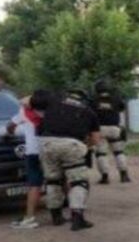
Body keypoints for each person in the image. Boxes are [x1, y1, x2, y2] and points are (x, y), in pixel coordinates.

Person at [32, 88, 101, 232]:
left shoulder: (54, 101)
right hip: (72, 144)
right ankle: (77, 218)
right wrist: (84, 146)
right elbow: (95, 139)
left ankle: (56, 217)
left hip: (47, 143)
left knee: (53, 180)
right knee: (78, 181)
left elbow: (30, 104)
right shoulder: (89, 111)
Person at [7, 91, 48, 230]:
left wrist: (9, 133)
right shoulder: (53, 111)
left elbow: (10, 126)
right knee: (60, 179)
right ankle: (71, 213)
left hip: (33, 152)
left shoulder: (24, 112)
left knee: (34, 184)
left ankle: (30, 218)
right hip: (51, 149)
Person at [92, 80, 131, 184]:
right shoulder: (115, 98)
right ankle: (124, 175)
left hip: (99, 129)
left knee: (101, 154)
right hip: (114, 128)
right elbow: (122, 107)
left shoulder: (93, 100)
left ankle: (105, 177)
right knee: (119, 152)